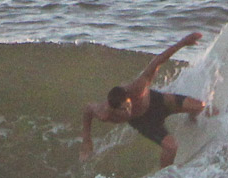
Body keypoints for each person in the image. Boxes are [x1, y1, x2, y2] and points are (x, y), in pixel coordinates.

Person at [81, 31, 208, 168]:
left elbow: (158, 61)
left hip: (157, 102)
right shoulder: (105, 113)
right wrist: (86, 140)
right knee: (171, 147)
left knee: (200, 106)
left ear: (129, 98)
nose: (127, 112)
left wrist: (183, 42)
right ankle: (164, 176)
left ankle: (191, 118)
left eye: (128, 106)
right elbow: (88, 110)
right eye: (122, 111)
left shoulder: (138, 88)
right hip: (144, 121)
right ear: (113, 109)